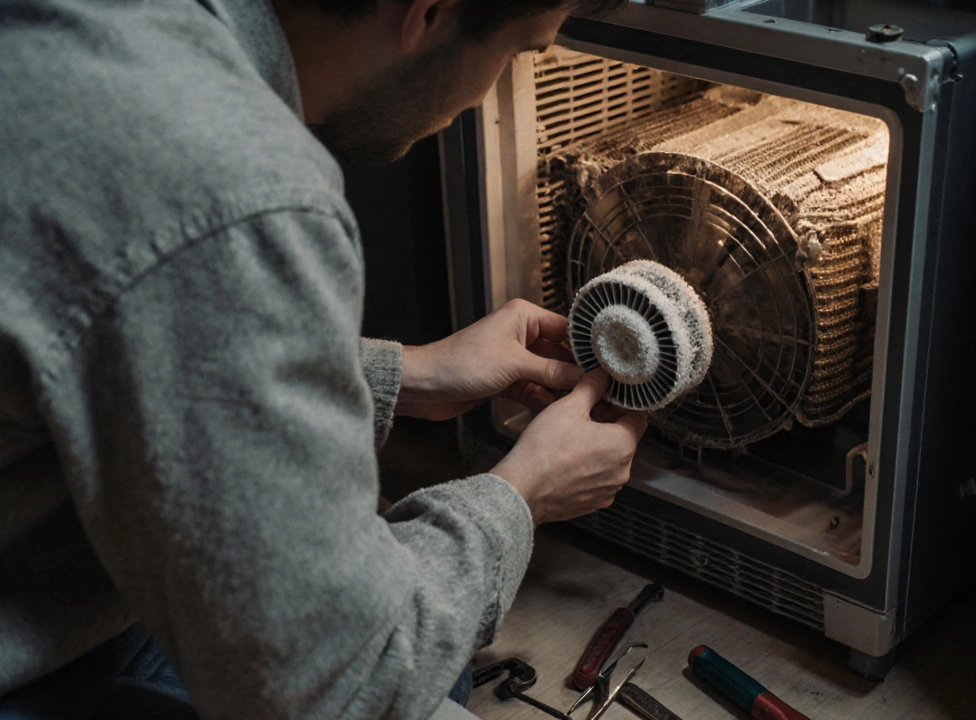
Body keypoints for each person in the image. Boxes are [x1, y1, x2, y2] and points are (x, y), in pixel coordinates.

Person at [0, 0, 642, 717]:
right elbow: (342, 683)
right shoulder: (234, 183)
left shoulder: (121, 34)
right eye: (520, 54)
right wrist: (522, 493)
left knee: (438, 648)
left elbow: (128, 341)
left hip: (47, 561)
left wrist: (413, 375)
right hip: (33, 652)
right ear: (426, 12)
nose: (486, 97)